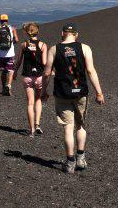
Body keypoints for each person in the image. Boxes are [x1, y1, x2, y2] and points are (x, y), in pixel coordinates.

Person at [41, 24, 105, 174]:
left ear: (62, 33)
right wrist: (99, 92)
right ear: (76, 34)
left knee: (68, 127)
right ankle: (81, 157)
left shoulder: (54, 49)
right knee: (80, 125)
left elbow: (47, 73)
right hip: (80, 92)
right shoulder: (85, 48)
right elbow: (90, 70)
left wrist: (44, 91)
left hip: (62, 93)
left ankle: (70, 162)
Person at [12, 22, 47, 136]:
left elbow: (18, 61)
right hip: (39, 77)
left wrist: (15, 72)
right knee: (38, 100)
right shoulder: (43, 45)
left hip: (27, 76)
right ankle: (37, 124)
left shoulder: (24, 45)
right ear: (37, 31)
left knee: (30, 103)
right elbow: (45, 62)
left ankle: (31, 129)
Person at [0, 14, 19, 96]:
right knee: (11, 70)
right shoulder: (12, 29)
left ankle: (3, 88)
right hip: (10, 53)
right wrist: (11, 43)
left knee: (3, 71)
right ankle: (9, 85)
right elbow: (16, 39)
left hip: (0, 54)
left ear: (0, 20)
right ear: (7, 20)